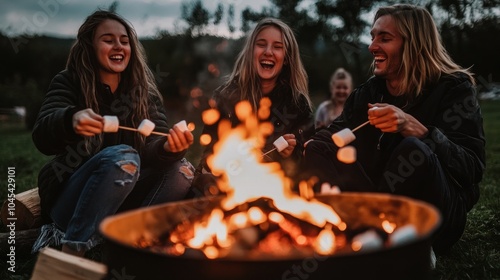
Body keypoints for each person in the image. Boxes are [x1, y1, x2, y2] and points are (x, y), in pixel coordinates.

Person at [302, 4, 485, 254]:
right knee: (319, 147)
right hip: (377, 200)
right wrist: (301, 141)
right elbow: (333, 134)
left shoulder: (454, 89)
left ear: (414, 44)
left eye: (384, 38)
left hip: (437, 211)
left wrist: (418, 130)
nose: (372, 46)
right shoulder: (369, 92)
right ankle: (359, 231)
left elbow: (472, 168)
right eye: (373, 36)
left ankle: (404, 242)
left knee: (413, 148)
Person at [31, 10, 195, 257]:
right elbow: (42, 136)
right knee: (123, 157)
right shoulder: (69, 82)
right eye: (108, 39)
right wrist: (69, 120)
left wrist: (167, 148)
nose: (119, 46)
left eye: (124, 40)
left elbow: (153, 146)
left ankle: (138, 243)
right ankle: (71, 250)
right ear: (89, 46)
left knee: (183, 170)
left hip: (121, 199)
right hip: (72, 201)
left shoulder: (144, 94)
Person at [189, 17, 314, 197]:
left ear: (286, 58)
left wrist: (291, 154)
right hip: (224, 187)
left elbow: (305, 164)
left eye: (277, 47)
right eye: (261, 44)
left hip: (274, 190)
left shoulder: (298, 105)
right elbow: (209, 150)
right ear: (250, 52)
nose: (268, 52)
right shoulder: (225, 96)